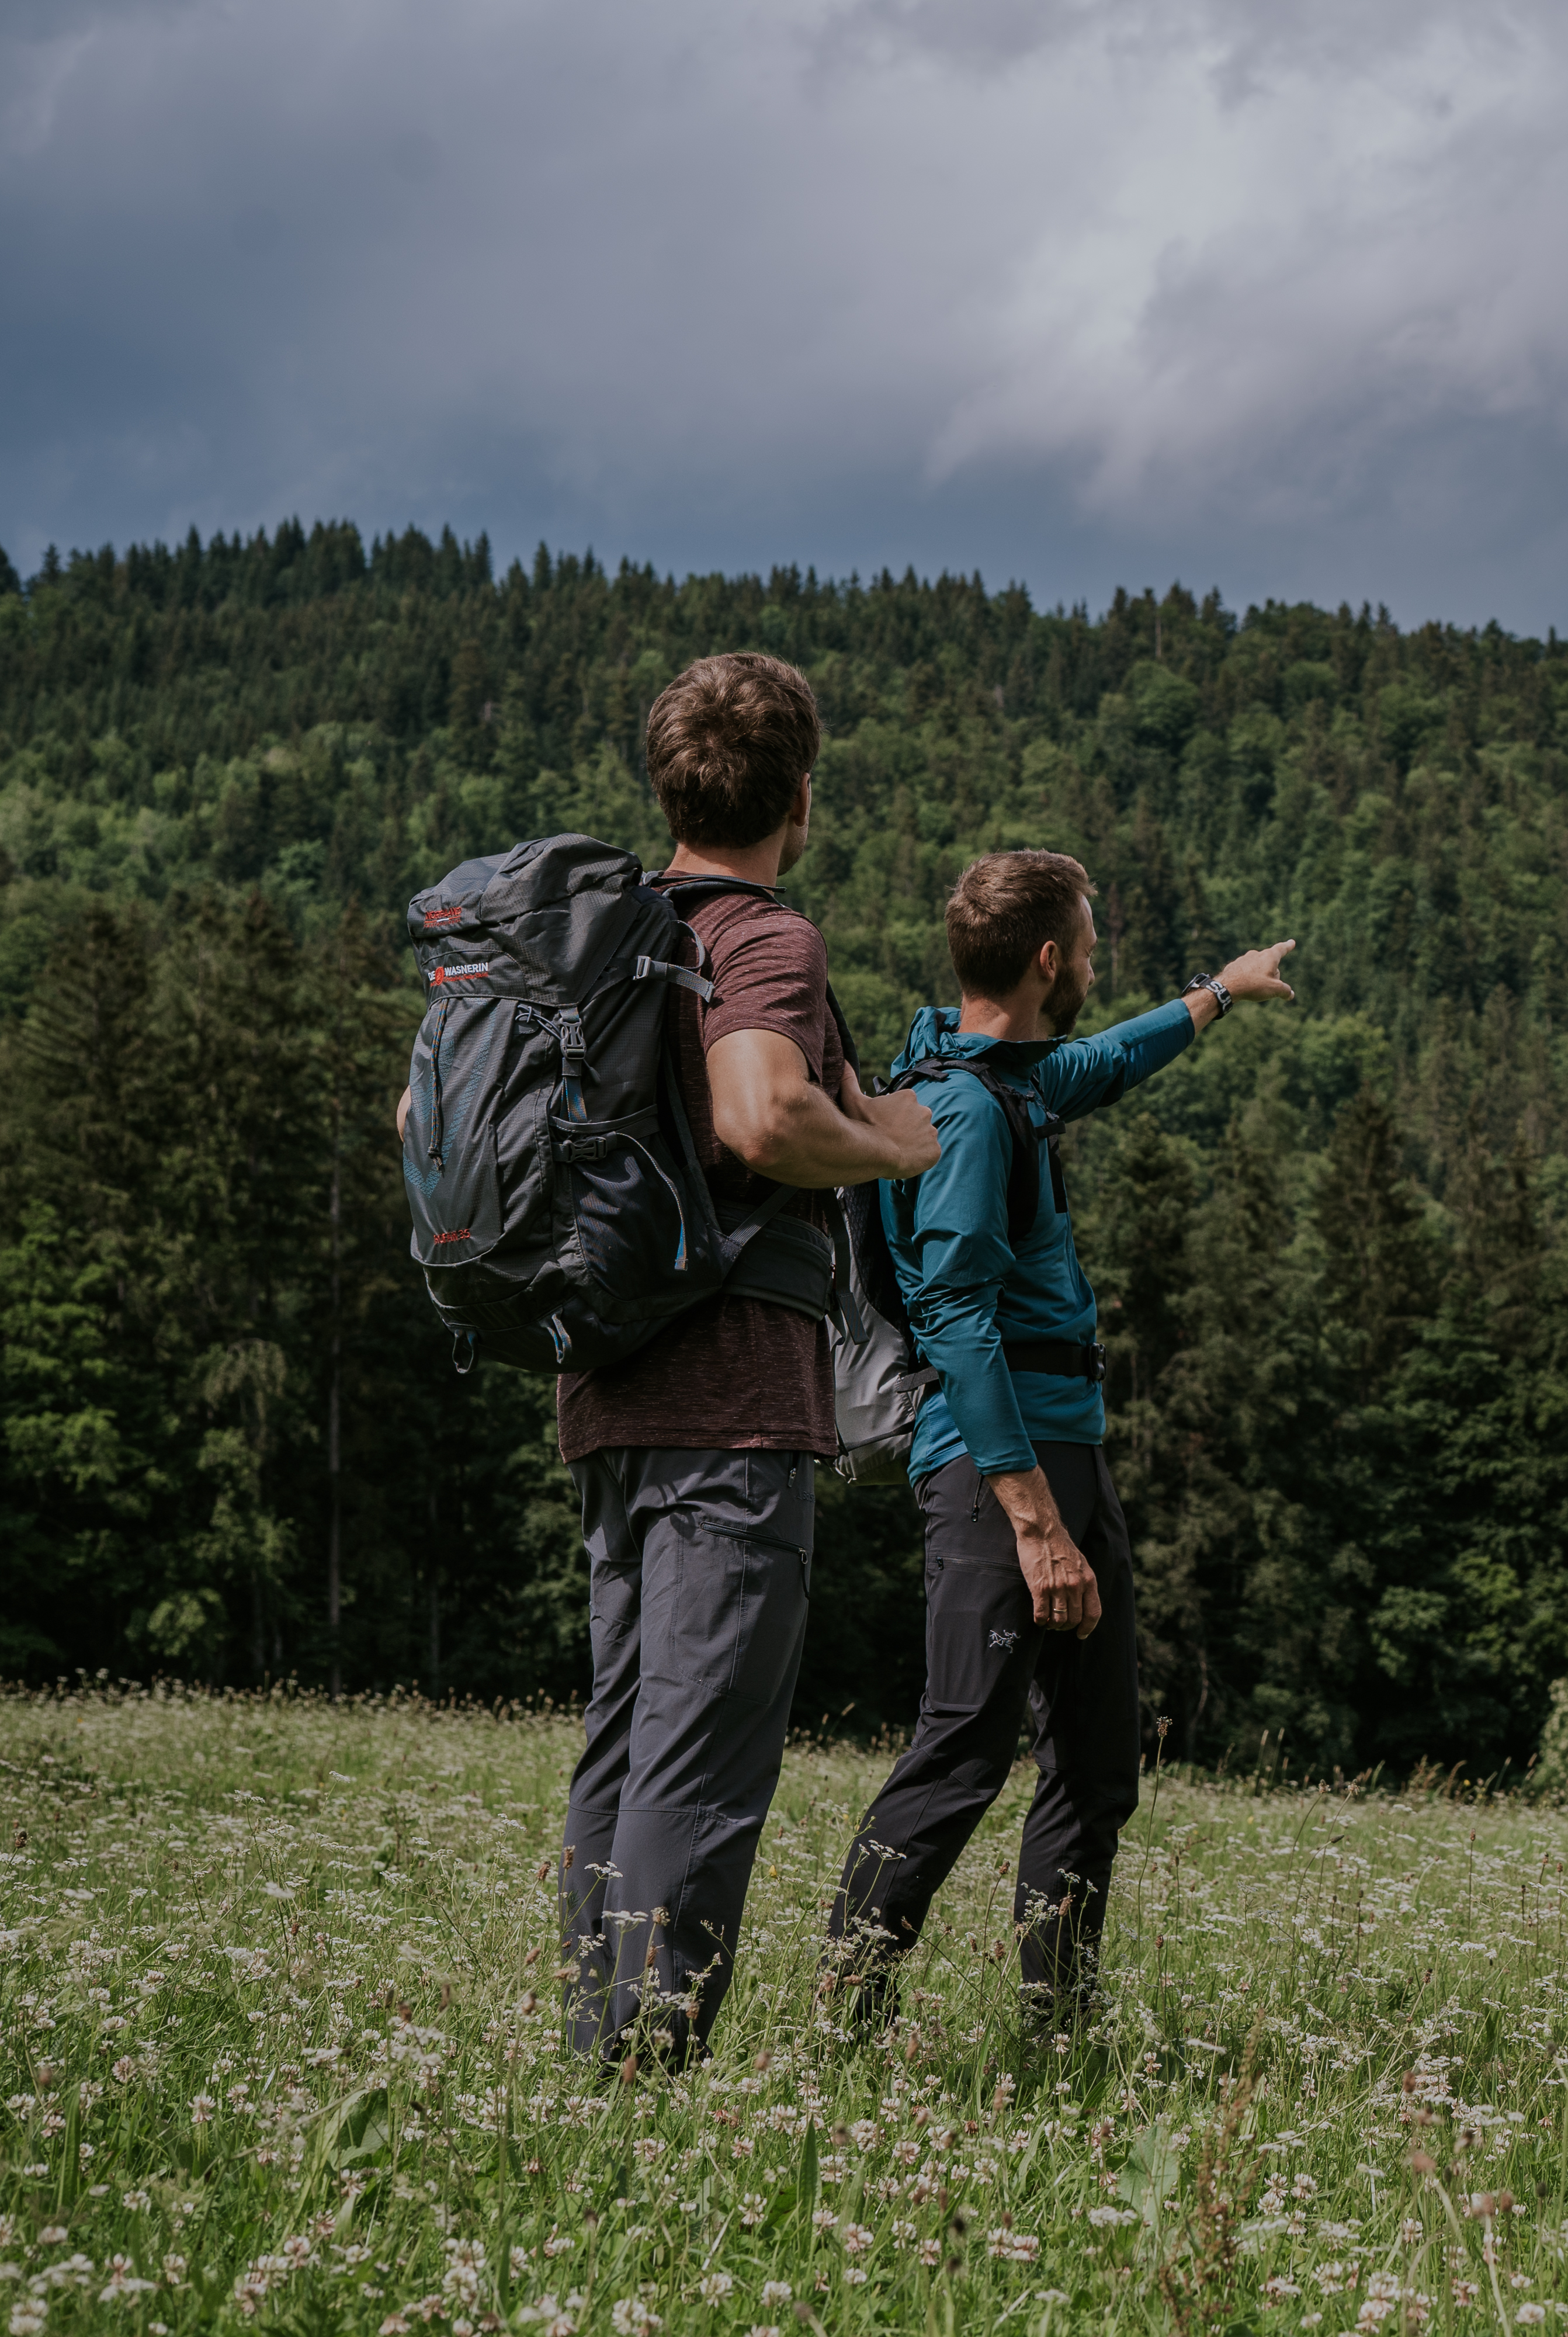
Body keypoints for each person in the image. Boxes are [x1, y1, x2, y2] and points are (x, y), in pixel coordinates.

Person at [823, 849, 1294, 2030]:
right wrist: (1034, 1521)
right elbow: (954, 1314)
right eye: (1086, 946)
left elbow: (1106, 1060)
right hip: (1001, 1469)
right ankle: (844, 2014)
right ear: (1048, 960)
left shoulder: (1005, 1081)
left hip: (1064, 1454)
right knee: (964, 1750)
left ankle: (1061, 2026)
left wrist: (1221, 991)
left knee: (1094, 1761)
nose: (1093, 964)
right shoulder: (968, 1113)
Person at [547, 652, 940, 2066]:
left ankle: (595, 2049)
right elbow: (761, 1116)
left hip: (607, 1388)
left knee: (625, 1739)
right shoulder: (761, 937)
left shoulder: (594, 940)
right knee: (701, 1753)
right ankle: (642, 2070)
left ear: (668, 787)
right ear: (801, 795)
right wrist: (891, 1144)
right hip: (734, 1406)